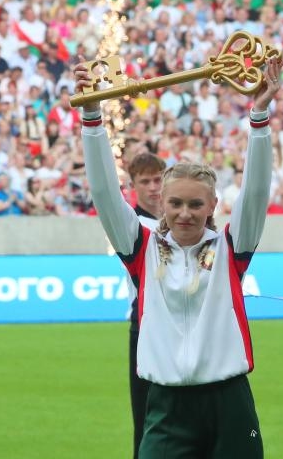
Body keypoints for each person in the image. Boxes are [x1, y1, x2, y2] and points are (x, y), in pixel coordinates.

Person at [76, 54, 283, 459]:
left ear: (212, 205)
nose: (184, 213)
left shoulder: (231, 247)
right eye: (175, 203)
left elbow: (256, 194)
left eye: (195, 204)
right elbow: (104, 192)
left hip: (229, 402)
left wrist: (259, 119)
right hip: (167, 406)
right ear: (161, 203)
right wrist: (92, 118)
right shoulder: (141, 246)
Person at [121, 152, 167, 459]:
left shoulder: (179, 218)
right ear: (133, 186)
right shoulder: (132, 224)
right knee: (147, 420)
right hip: (146, 324)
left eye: (158, 179)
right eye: (145, 181)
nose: (153, 187)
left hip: (181, 325)